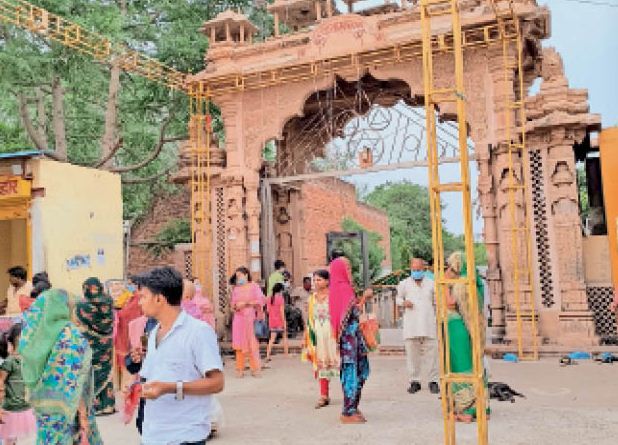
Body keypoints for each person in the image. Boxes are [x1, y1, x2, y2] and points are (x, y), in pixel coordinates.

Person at [132, 266, 224, 445]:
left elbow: (217, 383)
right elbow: (155, 376)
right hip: (153, 433)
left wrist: (170, 388)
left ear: (159, 299)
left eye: (143, 297)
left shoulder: (198, 332)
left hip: (184, 435)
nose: (139, 303)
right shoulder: (154, 333)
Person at [19, 288, 102, 444]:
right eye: (72, 308)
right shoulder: (70, 335)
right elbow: (78, 378)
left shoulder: (35, 336)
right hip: (70, 411)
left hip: (43, 409)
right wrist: (83, 415)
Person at [444, 251, 490, 423]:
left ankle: (466, 410)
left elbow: (450, 303)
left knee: (461, 367)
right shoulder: (475, 282)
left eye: (450, 267)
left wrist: (444, 285)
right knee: (476, 365)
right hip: (473, 330)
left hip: (457, 328)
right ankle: (483, 408)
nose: (447, 271)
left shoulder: (460, 285)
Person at [329, 251, 370, 424]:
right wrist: (365, 298)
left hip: (351, 339)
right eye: (347, 268)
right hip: (350, 340)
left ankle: (352, 406)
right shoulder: (343, 289)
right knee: (353, 373)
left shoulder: (338, 288)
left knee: (358, 371)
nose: (350, 271)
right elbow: (354, 312)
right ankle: (348, 411)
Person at [396, 257, 439, 395]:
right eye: (414, 269)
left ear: (424, 269)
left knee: (432, 355)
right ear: (410, 269)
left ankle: (433, 381)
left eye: (419, 269)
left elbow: (437, 302)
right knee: (412, 355)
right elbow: (398, 299)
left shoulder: (431, 284)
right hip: (411, 325)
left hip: (428, 324)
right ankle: (415, 381)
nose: (416, 272)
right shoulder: (404, 284)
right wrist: (403, 303)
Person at [75, 278, 116, 416]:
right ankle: (108, 405)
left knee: (92, 371)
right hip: (106, 342)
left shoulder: (83, 305)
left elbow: (81, 320)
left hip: (91, 342)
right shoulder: (108, 301)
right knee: (105, 370)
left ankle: (96, 406)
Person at [304, 269, 340, 409]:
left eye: (319, 280)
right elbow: (309, 319)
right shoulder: (312, 298)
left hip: (332, 335)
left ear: (327, 281)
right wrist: (306, 336)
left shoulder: (334, 296)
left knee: (340, 363)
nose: (316, 283)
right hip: (318, 336)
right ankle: (324, 395)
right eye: (315, 280)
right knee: (321, 364)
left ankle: (349, 394)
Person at [0, 324, 36, 444]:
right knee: (9, 439)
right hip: (11, 409)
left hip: (25, 407)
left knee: (19, 438)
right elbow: (0, 381)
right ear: (18, 339)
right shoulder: (9, 361)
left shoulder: (27, 361)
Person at [230, 267, 265, 377]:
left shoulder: (254, 286)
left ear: (246, 275)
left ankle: (255, 369)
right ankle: (240, 369)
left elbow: (261, 300)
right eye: (237, 276)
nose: (238, 278)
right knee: (239, 344)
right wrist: (236, 306)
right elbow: (232, 304)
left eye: (240, 275)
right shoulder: (236, 289)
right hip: (238, 318)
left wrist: (246, 303)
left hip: (250, 318)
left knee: (251, 343)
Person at [266, 283, 287, 362]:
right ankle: (286, 354)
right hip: (279, 321)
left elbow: (268, 311)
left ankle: (268, 355)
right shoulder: (280, 298)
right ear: (281, 290)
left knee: (271, 339)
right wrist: (284, 322)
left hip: (272, 321)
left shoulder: (269, 298)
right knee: (284, 337)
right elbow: (282, 312)